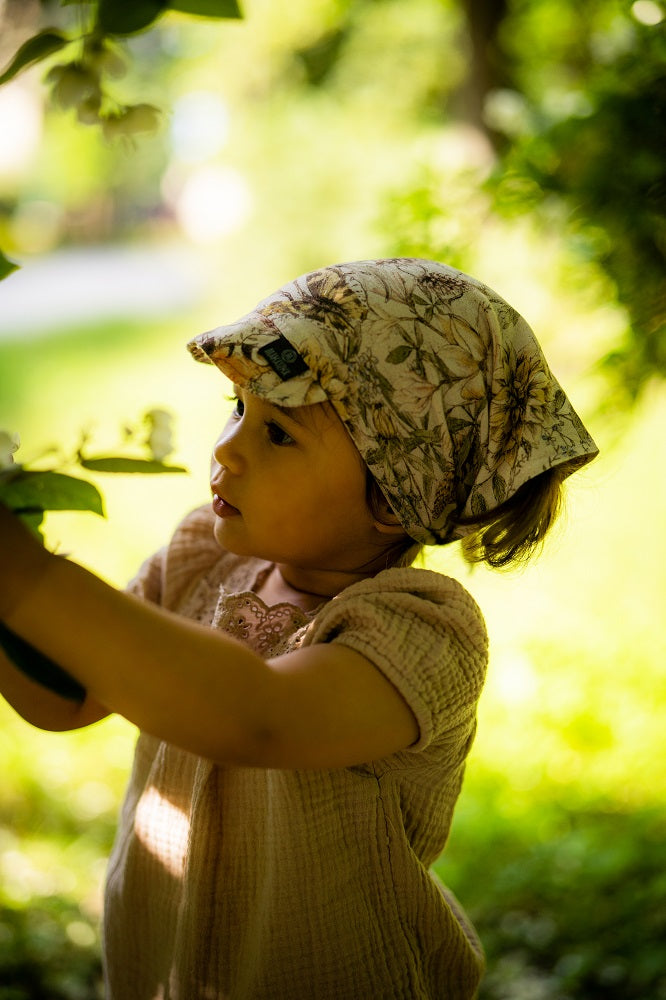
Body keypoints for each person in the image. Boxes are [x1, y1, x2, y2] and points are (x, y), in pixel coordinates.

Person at [0, 258, 598, 999]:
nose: (227, 449)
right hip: (164, 974)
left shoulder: (420, 630)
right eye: (238, 408)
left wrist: (23, 575)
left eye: (279, 434)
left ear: (392, 496)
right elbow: (67, 698)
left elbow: (257, 720)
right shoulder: (198, 561)